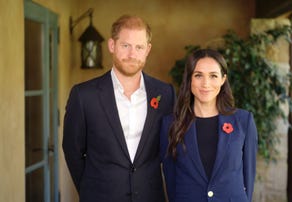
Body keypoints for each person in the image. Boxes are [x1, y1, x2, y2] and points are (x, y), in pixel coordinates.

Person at [62, 14, 175, 202]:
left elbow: (171, 150)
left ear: (147, 50)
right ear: (112, 46)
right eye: (125, 46)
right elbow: (72, 150)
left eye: (139, 47)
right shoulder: (84, 96)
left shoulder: (166, 94)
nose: (132, 54)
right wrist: (90, 190)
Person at [160, 49, 258, 202]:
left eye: (213, 76)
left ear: (223, 79)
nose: (206, 84)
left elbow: (248, 177)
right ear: (189, 79)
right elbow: (171, 179)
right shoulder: (171, 124)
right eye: (198, 75)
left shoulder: (243, 121)